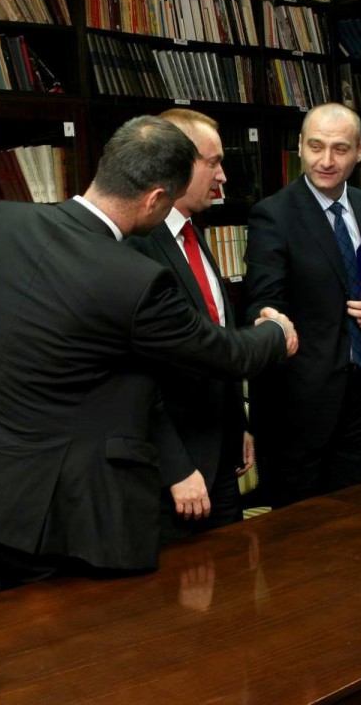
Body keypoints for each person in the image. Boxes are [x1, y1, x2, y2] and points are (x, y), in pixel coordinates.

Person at [0, 115, 298, 605]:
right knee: (48, 643)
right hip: (33, 516)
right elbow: (222, 353)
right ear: (156, 199)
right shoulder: (133, 280)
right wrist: (275, 332)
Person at [245, 102, 361, 506]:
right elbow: (263, 300)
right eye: (316, 146)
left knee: (359, 520)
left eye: (340, 149)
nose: (326, 161)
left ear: (359, 151)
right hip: (298, 409)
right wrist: (267, 320)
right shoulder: (273, 215)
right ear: (300, 146)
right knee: (301, 532)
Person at [125, 108, 253, 541]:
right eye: (213, 162)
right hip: (173, 477)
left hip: (220, 456)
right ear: (176, 162)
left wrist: (237, 425)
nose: (223, 176)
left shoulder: (194, 236)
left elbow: (217, 339)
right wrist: (176, 467)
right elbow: (136, 375)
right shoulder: (139, 243)